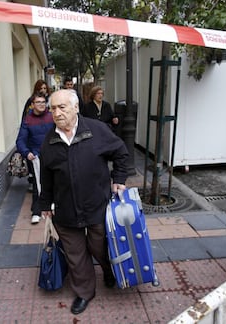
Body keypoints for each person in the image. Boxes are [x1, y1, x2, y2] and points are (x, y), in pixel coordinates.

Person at [39, 89, 129, 315]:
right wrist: (44, 205)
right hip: (66, 211)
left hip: (96, 206)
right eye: (53, 109)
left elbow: (121, 152)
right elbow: (46, 179)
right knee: (76, 254)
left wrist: (119, 179)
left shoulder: (97, 130)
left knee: (100, 247)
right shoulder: (48, 142)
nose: (57, 113)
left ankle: (109, 270)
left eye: (62, 107)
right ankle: (84, 292)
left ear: (76, 107)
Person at [16, 92, 54, 224]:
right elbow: (20, 140)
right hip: (37, 157)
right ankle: (36, 211)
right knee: (38, 185)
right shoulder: (28, 120)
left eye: (43, 102)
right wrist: (27, 153)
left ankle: (54, 206)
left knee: (57, 182)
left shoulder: (52, 116)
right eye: (38, 102)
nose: (42, 105)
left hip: (53, 155)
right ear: (32, 105)